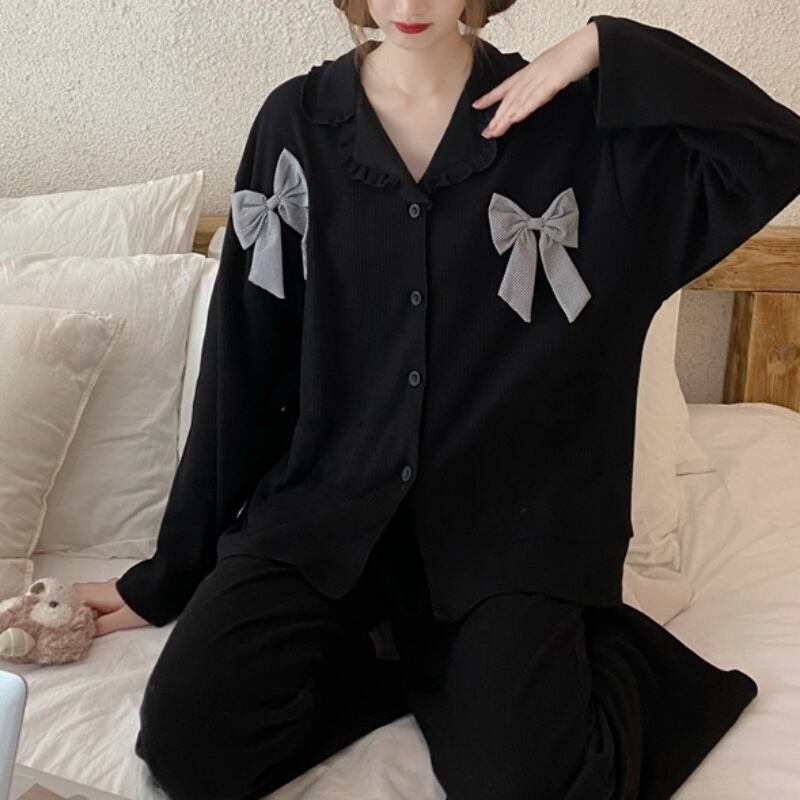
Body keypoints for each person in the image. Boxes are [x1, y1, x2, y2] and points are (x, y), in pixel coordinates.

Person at [74, 1, 800, 798]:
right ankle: (416, 669)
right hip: (327, 513)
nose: (410, 5)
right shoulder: (298, 123)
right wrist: (170, 574)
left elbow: (774, 149)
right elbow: (243, 364)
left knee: (524, 785)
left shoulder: (570, 124)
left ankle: (513, 671)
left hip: (507, 532)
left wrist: (603, 47)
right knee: (188, 745)